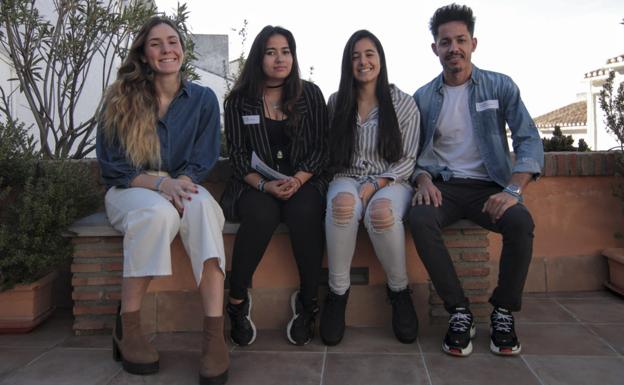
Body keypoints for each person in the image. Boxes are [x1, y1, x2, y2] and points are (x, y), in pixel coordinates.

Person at [96, 17, 228, 384]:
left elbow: (203, 158)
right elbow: (113, 166)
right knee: (157, 215)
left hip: (182, 183)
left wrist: (180, 184)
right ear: (144, 52)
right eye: (156, 43)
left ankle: (214, 336)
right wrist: (161, 187)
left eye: (173, 41)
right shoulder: (120, 98)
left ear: (182, 50)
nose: (166, 49)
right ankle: (130, 328)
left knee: (201, 208)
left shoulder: (203, 99)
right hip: (130, 189)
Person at [409, 3, 544, 357]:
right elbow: (412, 153)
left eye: (460, 40)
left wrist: (513, 190)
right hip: (446, 186)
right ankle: (460, 311)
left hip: (491, 186)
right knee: (420, 218)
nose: (453, 47)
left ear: (473, 44)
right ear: (434, 48)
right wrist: (422, 180)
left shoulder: (500, 86)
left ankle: (502, 310)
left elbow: (528, 138)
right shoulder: (423, 97)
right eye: (445, 41)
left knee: (520, 222)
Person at [221, 25, 328, 347]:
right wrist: (266, 186)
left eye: (286, 51)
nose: (280, 59)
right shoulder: (239, 101)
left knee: (306, 212)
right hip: (256, 184)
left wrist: (298, 179)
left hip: (304, 179)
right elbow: (238, 155)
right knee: (260, 215)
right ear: (259, 58)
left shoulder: (310, 93)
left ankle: (308, 304)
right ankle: (237, 302)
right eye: (271, 52)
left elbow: (322, 147)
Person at [320, 30, 421, 346]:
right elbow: (328, 152)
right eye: (355, 56)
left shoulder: (403, 104)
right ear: (347, 63)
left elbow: (409, 159)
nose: (363, 62)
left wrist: (377, 185)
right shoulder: (337, 102)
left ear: (380, 59)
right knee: (343, 207)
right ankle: (337, 294)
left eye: (369, 54)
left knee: (380, 211)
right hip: (346, 177)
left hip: (392, 178)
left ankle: (399, 291)